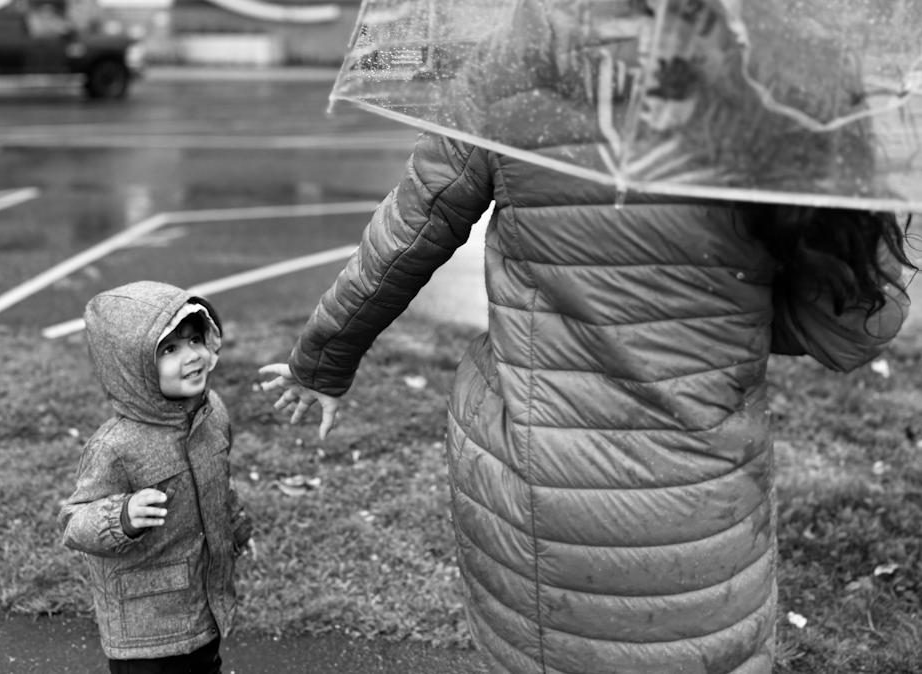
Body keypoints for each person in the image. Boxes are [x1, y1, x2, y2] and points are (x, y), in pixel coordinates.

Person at [259, 2, 915, 673]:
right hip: (700, 499)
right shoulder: (782, 92)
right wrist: (719, 313)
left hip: (533, 485)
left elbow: (407, 236)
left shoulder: (509, 67)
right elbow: (854, 328)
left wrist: (322, 360)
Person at [59, 281, 253, 674]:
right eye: (170, 349)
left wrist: (235, 525)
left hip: (204, 604)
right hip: (144, 630)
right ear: (132, 366)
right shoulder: (116, 447)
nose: (193, 356)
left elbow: (218, 482)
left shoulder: (212, 414)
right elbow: (74, 523)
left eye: (196, 339)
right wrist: (122, 517)